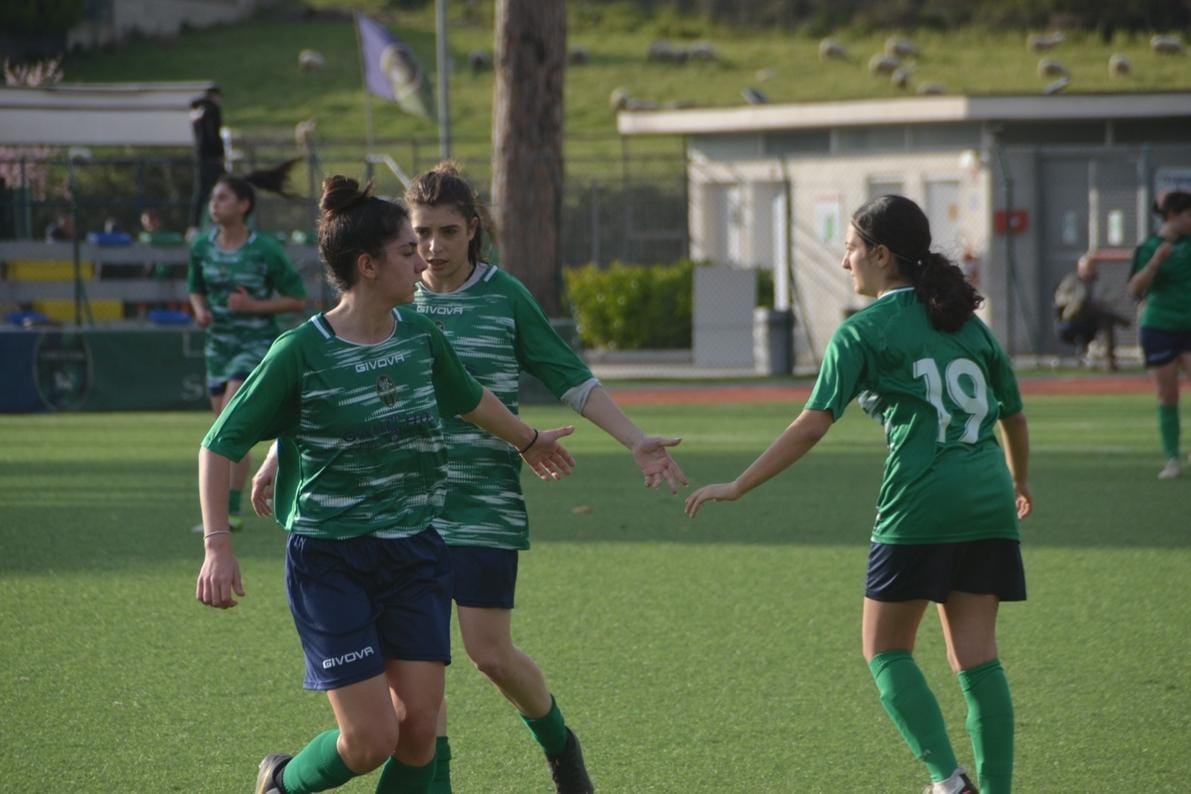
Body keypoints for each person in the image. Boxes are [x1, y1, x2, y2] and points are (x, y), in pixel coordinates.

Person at [253, 162, 686, 794]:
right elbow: (321, 386)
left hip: (482, 497)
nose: (431, 248)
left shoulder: (504, 295)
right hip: (395, 508)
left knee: (489, 655)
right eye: (420, 233)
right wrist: (273, 457)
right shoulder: (392, 293)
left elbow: (569, 375)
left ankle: (561, 745)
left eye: (447, 232)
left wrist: (634, 440)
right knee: (419, 679)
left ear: (473, 231)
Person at [196, 175, 577, 794]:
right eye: (407, 249)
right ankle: (284, 783)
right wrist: (218, 543)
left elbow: (472, 400)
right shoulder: (301, 351)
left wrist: (528, 440)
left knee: (420, 729)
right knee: (372, 740)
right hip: (331, 559)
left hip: (414, 552)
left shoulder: (420, 337)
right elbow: (218, 445)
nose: (422, 256)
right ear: (369, 266)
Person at [685, 195, 1031, 794]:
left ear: (881, 254)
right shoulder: (968, 324)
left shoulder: (862, 332)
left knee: (885, 650)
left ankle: (949, 784)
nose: (845, 262)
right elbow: (1015, 416)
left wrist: (738, 484)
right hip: (990, 503)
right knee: (978, 660)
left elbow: (812, 424)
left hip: (920, 505)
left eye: (849, 249)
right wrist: (1018, 480)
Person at [187, 170, 307, 532]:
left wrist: (251, 306)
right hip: (217, 348)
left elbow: (296, 299)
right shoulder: (202, 246)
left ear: (244, 205)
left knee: (230, 417)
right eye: (212, 199)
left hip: (253, 347)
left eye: (222, 198)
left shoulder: (264, 248)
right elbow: (195, 287)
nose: (214, 204)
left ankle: (229, 509)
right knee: (222, 427)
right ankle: (228, 504)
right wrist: (200, 310)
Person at [1127, 190, 1191, 479]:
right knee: (1167, 395)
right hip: (1160, 326)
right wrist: (1155, 263)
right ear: (1174, 215)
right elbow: (1134, 290)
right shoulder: (1150, 247)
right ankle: (1173, 459)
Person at [1053, 253, 1131, 370]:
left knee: (1106, 321)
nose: (1090, 271)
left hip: (1092, 321)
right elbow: (1059, 298)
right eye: (1087, 268)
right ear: (1080, 268)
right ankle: (1119, 319)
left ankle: (1110, 361)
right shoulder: (1071, 281)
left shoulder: (1100, 283)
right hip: (1073, 317)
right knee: (1084, 304)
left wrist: (1098, 303)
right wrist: (1075, 300)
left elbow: (1110, 299)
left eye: (1092, 268)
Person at [189, 85, 226, 235]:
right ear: (215, 96)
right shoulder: (212, 109)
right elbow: (213, 134)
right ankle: (215, 223)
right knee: (219, 190)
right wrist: (220, 153)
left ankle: (194, 226)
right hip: (211, 157)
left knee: (201, 192)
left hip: (200, 156)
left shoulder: (196, 111)